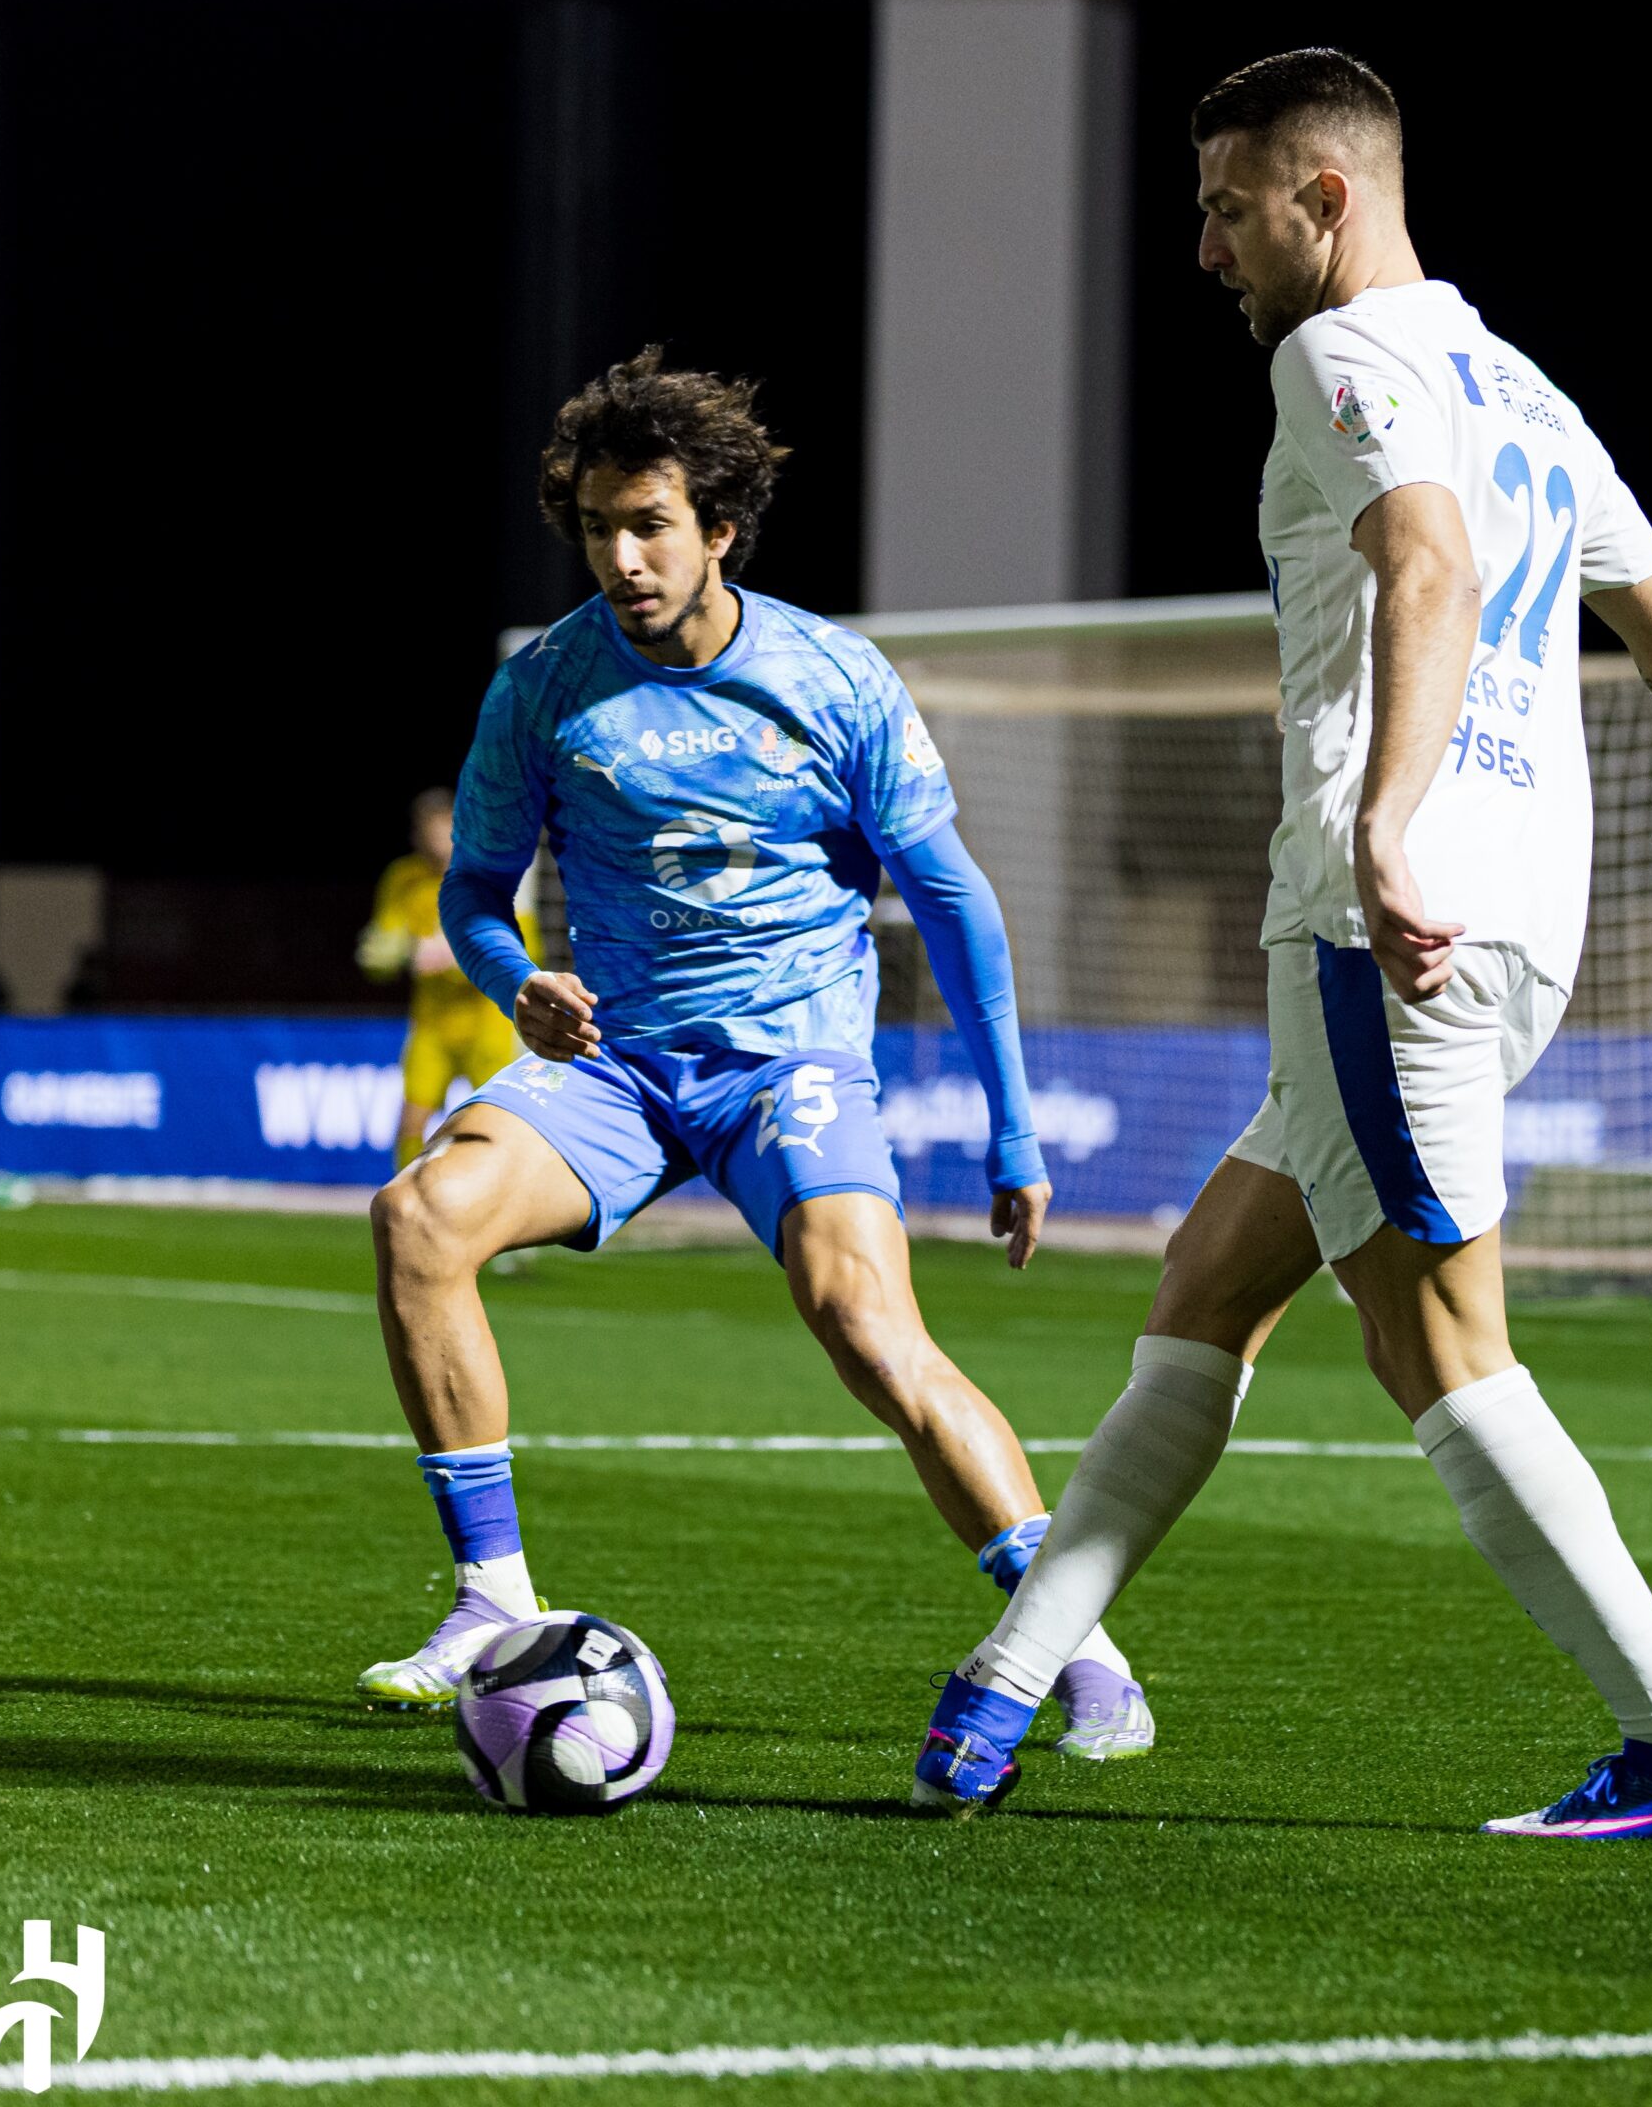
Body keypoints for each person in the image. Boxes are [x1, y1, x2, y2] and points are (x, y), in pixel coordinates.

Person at [914, 48, 1652, 1841]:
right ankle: (1000, 1691)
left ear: (1323, 197)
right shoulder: (1525, 388)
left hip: (1395, 919)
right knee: (1207, 1294)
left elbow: (1426, 566)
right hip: (1522, 917)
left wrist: (1383, 823)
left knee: (1439, 1353)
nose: (1205, 250)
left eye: (1226, 209)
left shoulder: (1342, 352)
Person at [356, 350, 1150, 1762]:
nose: (622, 554)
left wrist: (1012, 1131)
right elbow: (478, 892)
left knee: (867, 1326)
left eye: (650, 523)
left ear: (719, 527)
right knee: (421, 1219)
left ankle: (1075, 1650)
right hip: (619, 1065)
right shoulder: (545, 688)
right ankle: (490, 1602)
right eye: (600, 526)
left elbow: (957, 902)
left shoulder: (833, 677)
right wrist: (515, 978)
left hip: (792, 1068)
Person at [358, 789, 533, 1166]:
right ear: (417, 835)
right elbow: (381, 950)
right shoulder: (403, 877)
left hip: (490, 1023)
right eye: (428, 832)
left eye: (445, 830)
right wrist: (396, 950)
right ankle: (408, 1202)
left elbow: (524, 950)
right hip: (432, 1024)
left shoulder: (490, 875)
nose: (437, 841)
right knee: (410, 1123)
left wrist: (455, 957)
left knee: (499, 1125)